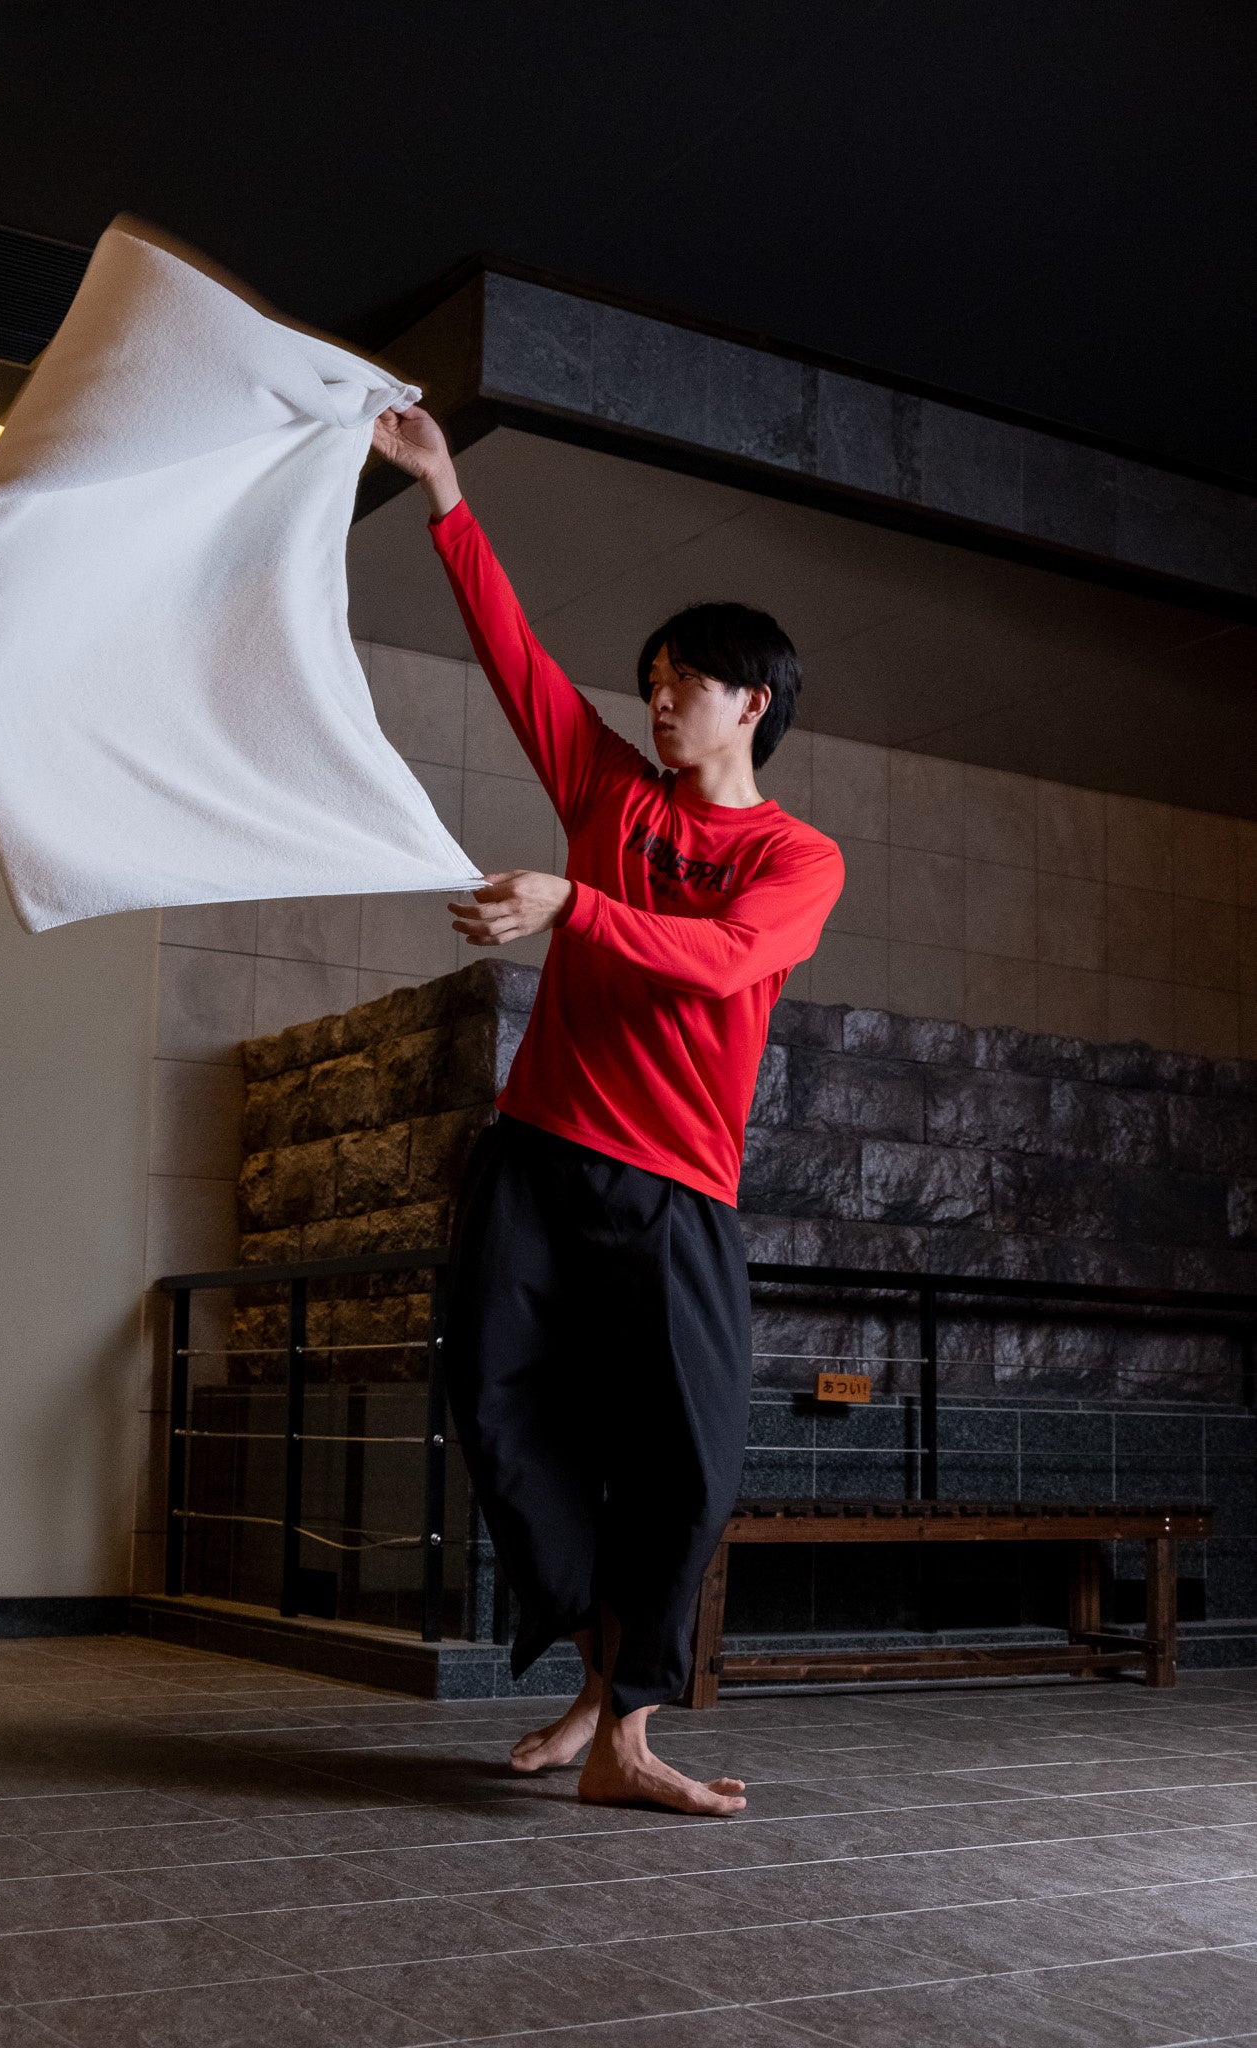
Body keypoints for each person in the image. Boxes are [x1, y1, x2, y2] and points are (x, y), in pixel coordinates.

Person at [372, 406, 845, 1814]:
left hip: (673, 1186)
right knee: (501, 1408)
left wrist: (573, 903)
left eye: (685, 682)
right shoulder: (606, 792)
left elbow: (724, 961)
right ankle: (602, 1693)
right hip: (536, 1154)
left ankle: (624, 1725)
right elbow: (515, 656)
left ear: (752, 702)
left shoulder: (794, 855)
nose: (659, 701)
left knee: (685, 1458)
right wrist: (445, 492)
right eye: (651, 681)